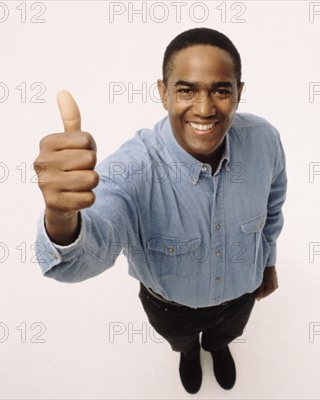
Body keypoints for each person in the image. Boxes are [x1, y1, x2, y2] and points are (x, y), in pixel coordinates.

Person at [33, 27, 287, 394]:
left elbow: (273, 204)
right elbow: (85, 258)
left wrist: (268, 261)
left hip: (240, 297)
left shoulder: (265, 140)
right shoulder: (129, 170)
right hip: (171, 309)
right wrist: (60, 217)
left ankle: (217, 347)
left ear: (239, 92)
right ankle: (187, 353)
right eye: (186, 90)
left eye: (221, 90)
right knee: (181, 341)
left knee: (225, 335)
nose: (205, 108)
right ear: (163, 92)